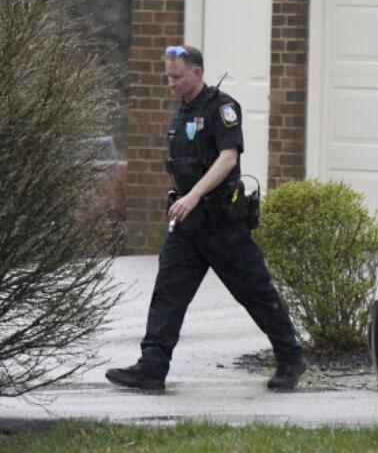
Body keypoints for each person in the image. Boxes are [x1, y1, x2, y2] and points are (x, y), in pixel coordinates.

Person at [106, 45, 307, 392]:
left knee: (255, 292)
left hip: (223, 223)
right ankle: (151, 368)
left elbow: (228, 158)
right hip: (187, 226)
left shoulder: (223, 109)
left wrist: (194, 195)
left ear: (197, 73)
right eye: (168, 76)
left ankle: (290, 358)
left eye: (177, 76)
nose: (170, 83)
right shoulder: (180, 114)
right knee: (168, 295)